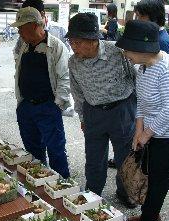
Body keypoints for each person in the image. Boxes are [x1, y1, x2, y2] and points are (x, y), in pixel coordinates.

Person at [116, 20, 169, 221]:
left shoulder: (168, 68)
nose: (125, 54)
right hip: (153, 132)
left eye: (128, 49)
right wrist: (138, 130)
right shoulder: (143, 67)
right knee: (149, 173)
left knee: (159, 178)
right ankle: (149, 213)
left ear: (141, 48)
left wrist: (147, 133)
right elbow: (142, 103)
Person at [67, 13, 137, 208]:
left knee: (125, 155)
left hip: (122, 110)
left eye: (78, 42)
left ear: (93, 40)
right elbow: (77, 92)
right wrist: (82, 116)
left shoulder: (118, 52)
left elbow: (136, 79)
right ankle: (92, 192)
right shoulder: (73, 62)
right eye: (71, 42)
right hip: (93, 112)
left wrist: (140, 114)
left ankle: (125, 193)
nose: (73, 46)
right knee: (94, 157)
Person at [12, 7, 71, 178]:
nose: (19, 31)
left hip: (48, 107)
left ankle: (62, 185)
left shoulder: (56, 47)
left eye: (21, 27)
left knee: (56, 150)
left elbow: (65, 79)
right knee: (32, 151)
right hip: (25, 107)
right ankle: (39, 184)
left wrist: (57, 105)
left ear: (34, 25)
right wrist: (21, 103)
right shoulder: (23, 45)